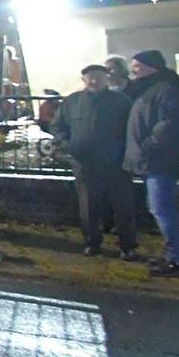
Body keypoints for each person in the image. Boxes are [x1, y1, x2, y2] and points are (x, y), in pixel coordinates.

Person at [51, 64, 138, 260]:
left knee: (123, 205)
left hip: (116, 162)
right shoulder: (72, 101)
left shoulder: (121, 102)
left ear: (106, 79)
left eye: (98, 77)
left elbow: (132, 129)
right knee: (88, 205)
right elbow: (57, 126)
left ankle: (127, 245)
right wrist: (67, 144)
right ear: (84, 80)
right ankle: (92, 243)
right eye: (90, 77)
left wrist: (128, 153)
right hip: (84, 160)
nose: (94, 81)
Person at [124, 50, 179, 275]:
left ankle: (177, 259)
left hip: (161, 160)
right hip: (153, 159)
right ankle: (172, 254)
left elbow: (167, 124)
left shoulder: (166, 89)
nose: (133, 70)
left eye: (137, 66)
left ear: (150, 67)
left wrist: (146, 145)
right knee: (160, 208)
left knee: (162, 209)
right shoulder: (153, 87)